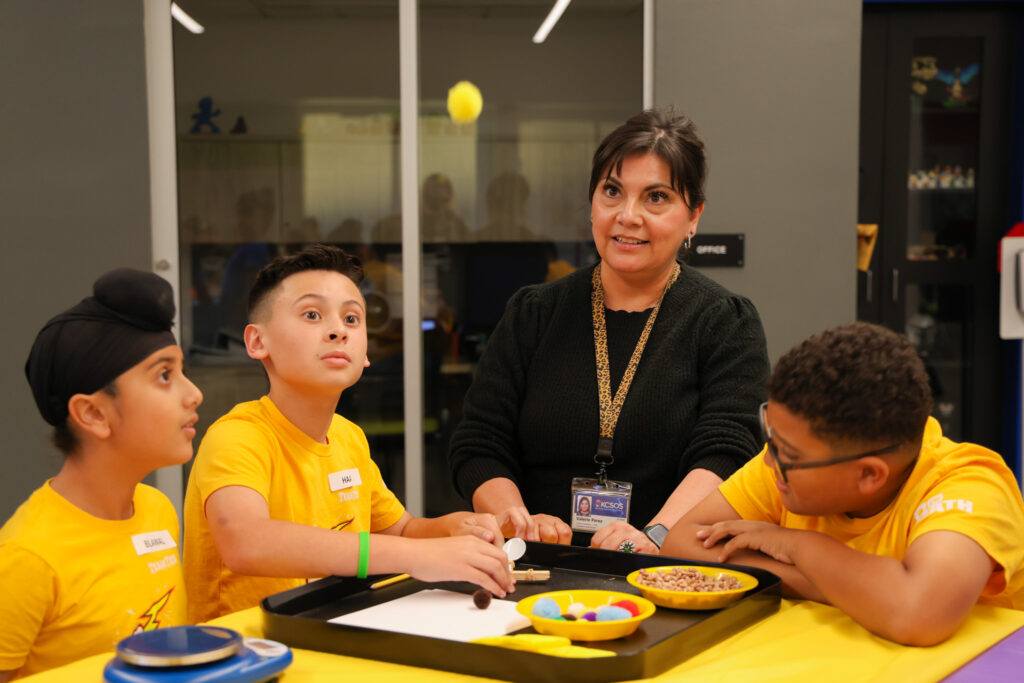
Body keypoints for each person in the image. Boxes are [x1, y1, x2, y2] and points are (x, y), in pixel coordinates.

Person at [448, 109, 769, 550]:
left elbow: (729, 450)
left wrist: (656, 536)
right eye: (612, 191)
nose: (628, 215)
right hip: (535, 563)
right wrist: (517, 523)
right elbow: (480, 442)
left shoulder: (724, 321)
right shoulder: (534, 313)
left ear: (694, 216)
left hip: (662, 564)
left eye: (656, 197)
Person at [184, 244, 514, 623]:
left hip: (328, 630)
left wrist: (453, 528)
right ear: (258, 342)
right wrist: (420, 556)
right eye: (312, 314)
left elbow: (402, 530)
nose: (338, 330)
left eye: (352, 319)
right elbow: (247, 543)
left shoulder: (348, 437)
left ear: (366, 353)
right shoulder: (237, 437)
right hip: (244, 646)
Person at [661, 322, 1024, 645]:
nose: (768, 461)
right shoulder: (792, 456)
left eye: (786, 453)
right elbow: (680, 545)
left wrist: (796, 545)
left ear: (869, 475)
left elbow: (918, 615)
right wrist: (832, 586)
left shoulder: (970, 485)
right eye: (771, 438)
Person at [0, 269, 203, 679]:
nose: (194, 394)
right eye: (165, 375)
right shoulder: (27, 558)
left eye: (182, 371)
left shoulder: (157, 509)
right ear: (93, 413)